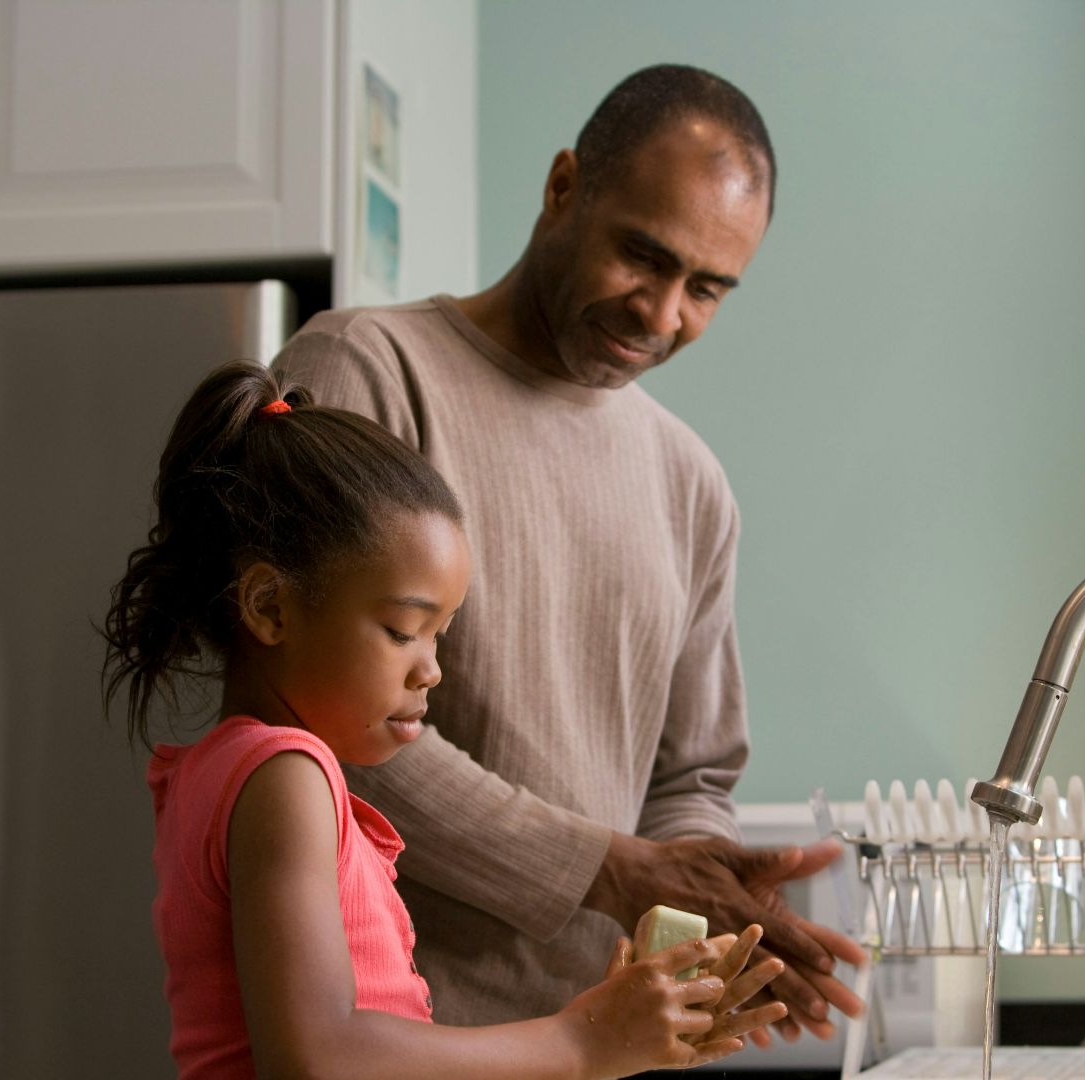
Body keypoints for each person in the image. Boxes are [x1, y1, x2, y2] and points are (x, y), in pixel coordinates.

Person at [272, 63, 866, 1042]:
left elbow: (691, 778)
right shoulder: (363, 373)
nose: (662, 313)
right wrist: (610, 869)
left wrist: (703, 901)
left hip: (593, 1053)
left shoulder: (691, 483)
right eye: (643, 254)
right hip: (387, 1045)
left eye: (707, 288)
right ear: (563, 190)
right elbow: (317, 720)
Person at [102, 361, 786, 1078]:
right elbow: (319, 1055)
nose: (430, 670)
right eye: (403, 631)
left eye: (440, 636)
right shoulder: (283, 775)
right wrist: (581, 1040)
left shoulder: (233, 772)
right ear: (270, 607)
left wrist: (615, 1027)